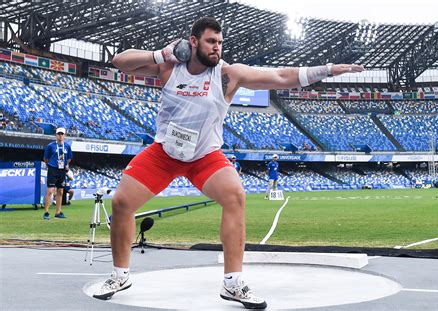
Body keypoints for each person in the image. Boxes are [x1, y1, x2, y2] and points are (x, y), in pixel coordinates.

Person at [93, 16, 363, 309]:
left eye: (220, 43)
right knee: (121, 203)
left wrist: (327, 70)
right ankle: (120, 275)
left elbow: (280, 77)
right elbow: (120, 61)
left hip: (204, 156)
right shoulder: (169, 67)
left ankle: (232, 283)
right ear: (193, 42)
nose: (217, 48)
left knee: (235, 196)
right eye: (211, 41)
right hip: (165, 154)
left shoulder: (228, 74)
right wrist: (161, 54)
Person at [43, 127, 72, 220]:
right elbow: (46, 159)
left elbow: (69, 158)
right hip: (53, 169)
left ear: (64, 135)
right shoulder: (50, 146)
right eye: (58, 134)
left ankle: (58, 212)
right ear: (56, 135)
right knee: (50, 191)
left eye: (62, 134)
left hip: (62, 170)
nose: (60, 136)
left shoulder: (67, 146)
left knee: (60, 191)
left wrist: (65, 165)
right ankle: (46, 212)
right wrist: (51, 165)